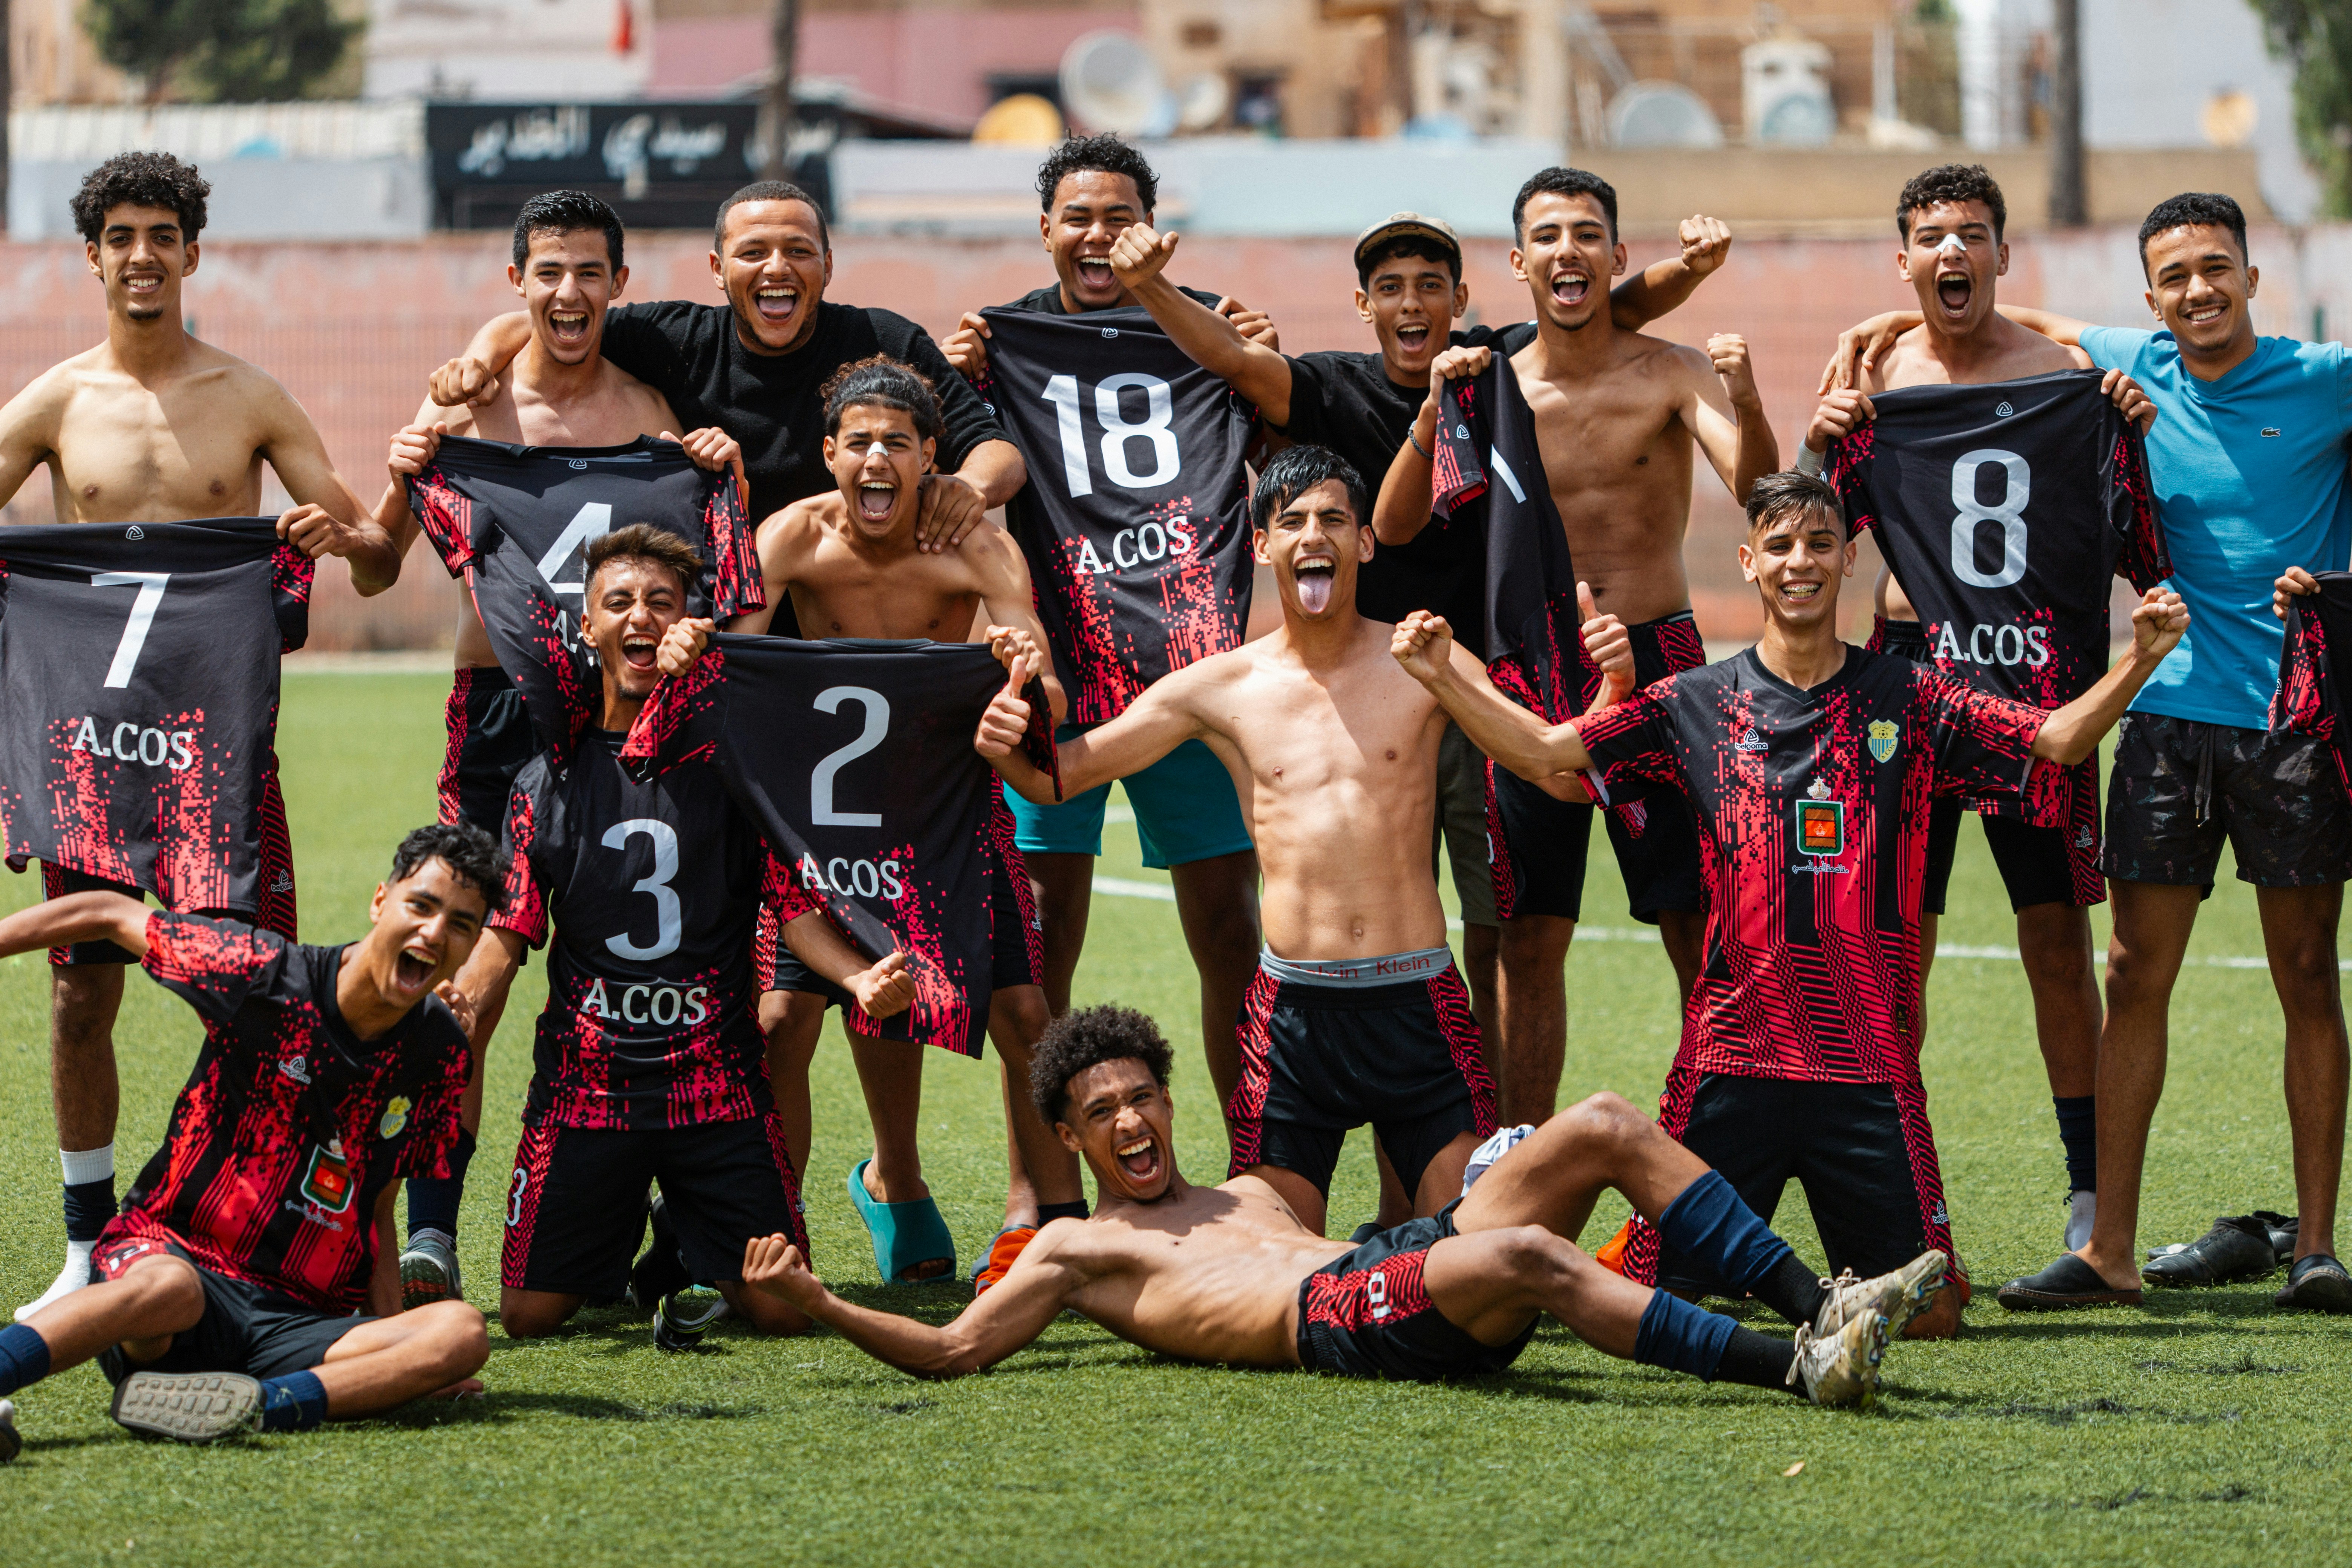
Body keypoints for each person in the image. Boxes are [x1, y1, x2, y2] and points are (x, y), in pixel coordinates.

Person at [1392, 471, 2190, 1338]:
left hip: (1868, 1066)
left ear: (1849, 559)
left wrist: (2140, 658)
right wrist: (1441, 676)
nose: (1799, 562)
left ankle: (1799, 1271)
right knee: (1656, 1296)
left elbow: (2058, 739)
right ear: (1749, 563)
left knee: (1935, 1320)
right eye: (1779, 545)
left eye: (1818, 544)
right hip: (1731, 1063)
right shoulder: (1693, 700)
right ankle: (1594, 1247)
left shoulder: (1912, 699)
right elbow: (1546, 751)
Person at [1822, 193, 2352, 1312]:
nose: (2199, 291)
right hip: (2156, 714)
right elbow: (2019, 318)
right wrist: (1874, 328)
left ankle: (2315, 1248)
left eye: (2219, 269)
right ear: (2150, 297)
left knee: (2306, 972)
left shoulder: (2326, 375)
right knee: (2129, 972)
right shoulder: (2124, 364)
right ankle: (2108, 1245)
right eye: (2176, 277)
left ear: (2253, 278)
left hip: (2289, 723)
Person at [1101, 208, 1735, 1114]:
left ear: (1461, 300)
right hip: (1367, 696)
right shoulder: (1330, 385)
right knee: (1372, 923)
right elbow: (1235, 364)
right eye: (1391, 288)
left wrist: (1692, 270)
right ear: (1363, 305)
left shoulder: (1492, 363)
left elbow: (1607, 303)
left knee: (1501, 929)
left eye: (1430, 285)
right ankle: (1349, 1129)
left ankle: (1497, 1145)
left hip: (1483, 689)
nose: (1412, 303)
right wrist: (1148, 284)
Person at [979, 444, 1618, 1235]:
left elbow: (1555, 771)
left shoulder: (1425, 659)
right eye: (1292, 522)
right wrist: (1012, 730)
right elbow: (1058, 777)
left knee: (1476, 1246)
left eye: (1332, 520)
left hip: (1417, 1003)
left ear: (1363, 542)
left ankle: (1398, 1252)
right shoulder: (1218, 687)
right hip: (1293, 1018)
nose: (1313, 535)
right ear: (1262, 544)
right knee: (1266, 1262)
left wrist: (1609, 690)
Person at [734, 1003, 1949, 1405]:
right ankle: (1795, 1371)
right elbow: (954, 1350)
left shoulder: (1242, 1186)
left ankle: (1819, 1302)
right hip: (1332, 1320)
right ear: (1067, 1135)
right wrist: (823, 1301)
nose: (1131, 1123)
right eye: (1102, 1113)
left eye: (1143, 1098)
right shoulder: (1076, 1245)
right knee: (1527, 1247)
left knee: (1609, 1123)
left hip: (1394, 1266)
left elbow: (1354, 1131)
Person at [0, 152, 399, 1321]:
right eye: (119, 235)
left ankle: (240, 1223)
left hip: (216, 763)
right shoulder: (55, 402)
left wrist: (347, 539)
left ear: (190, 250)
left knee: (253, 998)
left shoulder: (253, 396)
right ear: (92, 256)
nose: (140, 255)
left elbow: (378, 566)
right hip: (87, 761)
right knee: (80, 1001)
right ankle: (85, 1247)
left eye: (161, 233)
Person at [377, 188, 746, 1307]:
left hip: (639, 724)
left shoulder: (655, 414)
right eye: (548, 272)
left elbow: (720, 580)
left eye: (590, 272)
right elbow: (370, 563)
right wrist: (397, 477)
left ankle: (676, 1222)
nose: (569, 292)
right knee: (466, 972)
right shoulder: (470, 417)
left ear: (619, 285)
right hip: (500, 716)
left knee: (678, 952)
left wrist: (724, 465)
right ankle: (430, 1232)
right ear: (517, 284)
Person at [1796, 163, 2161, 1254]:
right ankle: (1903, 1188)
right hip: (1907, 675)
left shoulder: (2071, 380)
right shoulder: (1869, 375)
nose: (1950, 253)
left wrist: (2130, 424)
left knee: (2055, 941)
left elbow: (2140, 544)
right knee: (1896, 940)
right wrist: (1820, 439)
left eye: (1970, 235)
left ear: (2005, 255)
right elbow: (1797, 529)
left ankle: (2092, 1193)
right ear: (1902, 258)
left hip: (2037, 680)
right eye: (1929, 237)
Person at [1372, 166, 1776, 1127]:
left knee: (1697, 922)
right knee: (1528, 935)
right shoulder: (1490, 382)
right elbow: (1391, 529)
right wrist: (1433, 411)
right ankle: (1514, 1160)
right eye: (1548, 236)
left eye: (1588, 234)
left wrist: (1750, 400)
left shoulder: (1670, 368)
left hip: (1665, 662)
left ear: (1616, 256)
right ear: (1518, 263)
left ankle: (1716, 1149)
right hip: (1531, 670)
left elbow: (1759, 490)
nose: (1569, 251)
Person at [454, 526, 905, 1348]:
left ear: (691, 623)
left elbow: (793, 911)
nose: (642, 617)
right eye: (618, 602)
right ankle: (639, 1222)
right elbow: (509, 929)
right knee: (530, 1316)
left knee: (780, 1310)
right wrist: (462, 999)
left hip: (715, 1086)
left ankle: (679, 1227)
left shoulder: (732, 766)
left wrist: (855, 979)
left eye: (662, 602)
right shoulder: (545, 778)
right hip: (588, 1089)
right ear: (587, 629)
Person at [691, 355, 1083, 1286]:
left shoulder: (979, 546)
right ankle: (775, 1236)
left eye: (897, 443)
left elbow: (1052, 691)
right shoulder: (788, 537)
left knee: (1027, 1010)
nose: (877, 459)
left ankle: (1066, 1227)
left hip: (947, 806)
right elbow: (728, 680)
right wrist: (694, 651)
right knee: (785, 1016)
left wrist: (1030, 683)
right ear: (829, 454)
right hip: (823, 827)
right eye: (858, 441)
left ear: (929, 458)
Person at [939, 134, 1274, 1144]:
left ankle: (1266, 1162)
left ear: (1153, 231)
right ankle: (1038, 1193)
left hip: (1191, 675)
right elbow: (969, 464)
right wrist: (959, 387)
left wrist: (1256, 368)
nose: (1099, 235)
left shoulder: (1209, 329)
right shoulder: (999, 345)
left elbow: (1281, 444)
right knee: (1039, 956)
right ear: (1045, 231)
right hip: (1054, 683)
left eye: (1119, 216)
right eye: (1078, 217)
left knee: (1230, 933)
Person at [0, 824, 502, 1455]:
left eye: (461, 924)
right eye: (421, 906)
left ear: (472, 944)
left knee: (459, 1334)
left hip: (295, 1323)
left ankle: (250, 1408)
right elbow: (105, 910)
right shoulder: (266, 978)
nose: (434, 933)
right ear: (382, 901)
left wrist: (398, 1355)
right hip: (173, 1266)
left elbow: (377, 1207)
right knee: (172, 1291)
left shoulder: (440, 1055)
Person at [429, 180, 1020, 586]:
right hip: (732, 619)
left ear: (828, 265)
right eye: (753, 252)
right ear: (718, 270)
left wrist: (968, 487)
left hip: (851, 615)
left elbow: (999, 453)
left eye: (798, 251)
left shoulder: (885, 342)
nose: (776, 269)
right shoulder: (676, 340)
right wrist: (479, 362)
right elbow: (550, 316)